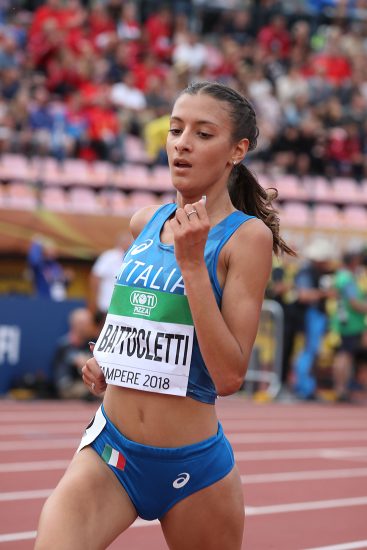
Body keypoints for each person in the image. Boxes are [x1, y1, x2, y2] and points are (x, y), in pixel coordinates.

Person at [35, 81, 294, 550]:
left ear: (237, 150)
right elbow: (136, 322)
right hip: (111, 451)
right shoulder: (144, 222)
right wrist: (109, 362)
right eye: (176, 130)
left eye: (202, 133)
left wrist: (193, 266)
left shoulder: (245, 238)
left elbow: (230, 375)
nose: (182, 143)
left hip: (193, 467)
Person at [292, 238, 336, 400]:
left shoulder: (315, 272)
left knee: (311, 351)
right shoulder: (307, 272)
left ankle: (306, 386)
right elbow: (304, 295)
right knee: (309, 351)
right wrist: (325, 294)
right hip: (311, 315)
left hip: (314, 315)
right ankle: (304, 387)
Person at [331, 247, 367, 401]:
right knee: (344, 355)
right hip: (350, 322)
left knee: (344, 355)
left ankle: (342, 389)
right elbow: (354, 303)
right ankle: (341, 389)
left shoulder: (341, 276)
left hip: (344, 320)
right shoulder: (347, 279)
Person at [52, 307, 96, 400]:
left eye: (88, 324)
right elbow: (62, 377)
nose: (87, 327)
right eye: (84, 324)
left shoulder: (92, 343)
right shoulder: (64, 345)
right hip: (69, 386)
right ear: (75, 325)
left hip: (90, 384)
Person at [89, 232, 131, 324]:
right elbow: (95, 277)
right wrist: (94, 301)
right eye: (129, 241)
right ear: (121, 243)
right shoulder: (109, 256)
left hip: (124, 308)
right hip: (107, 305)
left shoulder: (132, 258)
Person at [27, 236, 73, 301]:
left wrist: (66, 279)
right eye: (50, 250)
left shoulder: (56, 266)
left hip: (55, 301)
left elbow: (60, 285)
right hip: (41, 300)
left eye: (54, 250)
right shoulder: (40, 264)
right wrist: (36, 244)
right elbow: (33, 260)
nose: (53, 253)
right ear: (44, 251)